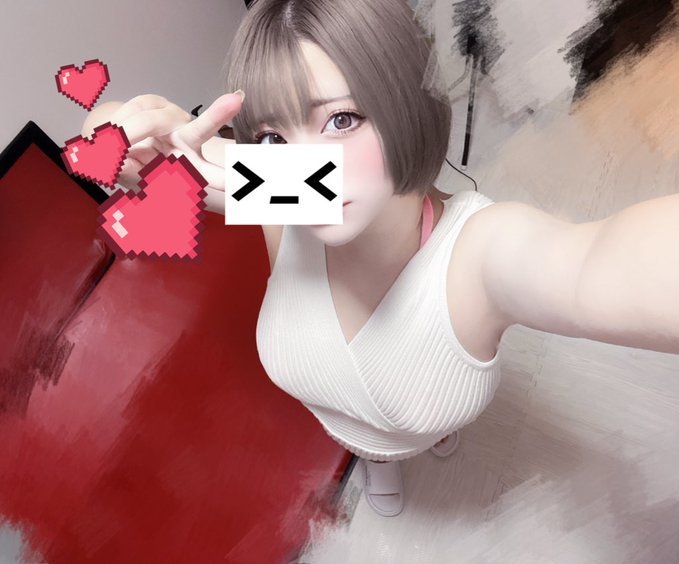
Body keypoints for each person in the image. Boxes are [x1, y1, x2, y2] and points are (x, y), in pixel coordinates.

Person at [81, 0, 678, 519]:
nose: (309, 169)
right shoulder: (284, 185)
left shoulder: (484, 251)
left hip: (426, 408)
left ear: (405, 103)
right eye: (273, 139)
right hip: (350, 424)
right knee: (375, 442)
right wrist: (126, 126)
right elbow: (119, 149)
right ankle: (379, 459)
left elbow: (599, 265)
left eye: (341, 120)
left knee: (427, 416)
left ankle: (433, 433)